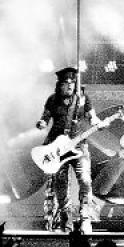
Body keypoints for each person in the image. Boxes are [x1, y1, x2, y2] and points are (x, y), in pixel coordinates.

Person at [36, 66, 103, 233]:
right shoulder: (53, 100)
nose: (69, 86)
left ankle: (85, 217)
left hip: (79, 146)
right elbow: (45, 117)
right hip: (58, 149)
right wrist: (42, 123)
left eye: (72, 83)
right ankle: (66, 220)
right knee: (61, 185)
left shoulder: (83, 99)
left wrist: (98, 123)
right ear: (60, 85)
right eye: (66, 83)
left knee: (85, 180)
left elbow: (92, 116)